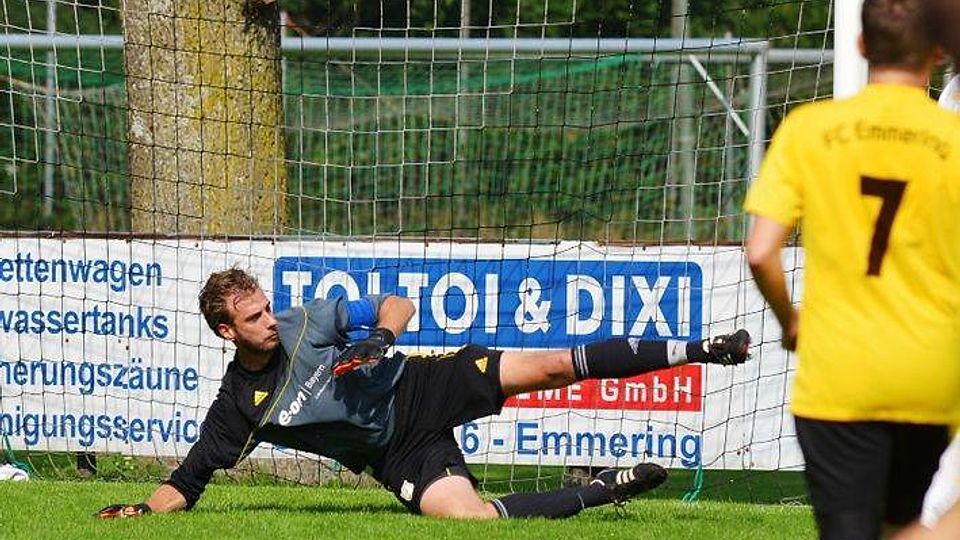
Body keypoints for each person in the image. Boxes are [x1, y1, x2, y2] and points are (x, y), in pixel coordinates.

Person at [97, 267, 751, 520]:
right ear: (225, 330)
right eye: (255, 316)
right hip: (399, 455)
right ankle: (604, 488)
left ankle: (700, 348)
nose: (271, 319)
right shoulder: (239, 406)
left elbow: (397, 302)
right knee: (467, 519)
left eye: (268, 307)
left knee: (555, 364)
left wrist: (379, 338)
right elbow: (191, 477)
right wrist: (144, 513)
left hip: (426, 385)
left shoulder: (309, 322)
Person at [744, 0, 960, 538]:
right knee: (904, 523)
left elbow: (759, 252)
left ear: (861, 46)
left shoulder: (809, 128)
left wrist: (790, 321)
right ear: (937, 53)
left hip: (837, 374)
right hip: (930, 374)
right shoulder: (953, 139)